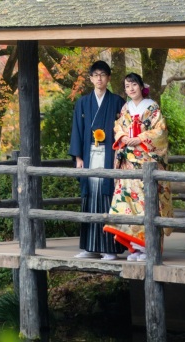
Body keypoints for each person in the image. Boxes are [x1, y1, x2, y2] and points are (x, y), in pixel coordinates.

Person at [103, 72, 173, 260]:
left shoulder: (152, 107)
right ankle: (136, 247)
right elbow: (118, 126)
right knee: (128, 203)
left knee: (147, 204)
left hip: (146, 161)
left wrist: (140, 138)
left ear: (141, 86)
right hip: (128, 163)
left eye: (134, 84)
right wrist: (123, 137)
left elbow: (160, 132)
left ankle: (150, 248)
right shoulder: (125, 108)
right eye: (127, 86)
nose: (131, 89)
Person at [69, 59, 125, 259]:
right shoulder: (83, 103)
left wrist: (119, 158)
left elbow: (122, 130)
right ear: (91, 78)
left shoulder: (117, 102)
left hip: (109, 155)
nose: (99, 79)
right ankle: (89, 247)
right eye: (96, 75)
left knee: (108, 196)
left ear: (108, 78)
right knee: (90, 197)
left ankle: (110, 248)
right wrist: (78, 158)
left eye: (103, 75)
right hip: (89, 155)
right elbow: (77, 130)